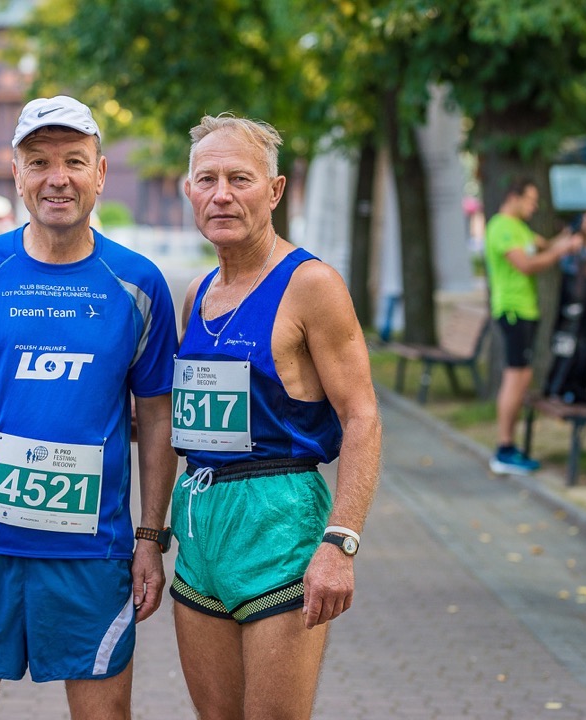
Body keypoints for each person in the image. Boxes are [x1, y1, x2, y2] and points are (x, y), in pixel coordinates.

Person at [0, 95, 179, 720]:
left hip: (92, 556)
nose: (58, 178)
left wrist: (150, 539)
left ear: (100, 173)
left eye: (74, 161)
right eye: (39, 162)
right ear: (17, 174)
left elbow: (158, 418)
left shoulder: (138, 283)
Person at [168, 113, 382, 720]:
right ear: (189, 191)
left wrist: (341, 542)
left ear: (275, 190)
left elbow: (362, 416)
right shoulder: (197, 293)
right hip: (200, 525)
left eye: (240, 178)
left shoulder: (311, 284)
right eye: (207, 179)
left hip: (279, 523)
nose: (222, 194)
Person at [485, 178, 582, 475]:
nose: (534, 206)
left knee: (522, 377)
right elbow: (526, 264)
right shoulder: (502, 227)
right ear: (514, 197)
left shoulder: (520, 228)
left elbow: (546, 245)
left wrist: (567, 238)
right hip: (513, 311)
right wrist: (561, 252)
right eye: (530, 200)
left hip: (526, 311)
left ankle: (509, 446)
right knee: (515, 378)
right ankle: (504, 449)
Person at [545, 210, 586, 403]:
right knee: (570, 347)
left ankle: (576, 387)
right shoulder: (573, 246)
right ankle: (561, 387)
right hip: (575, 304)